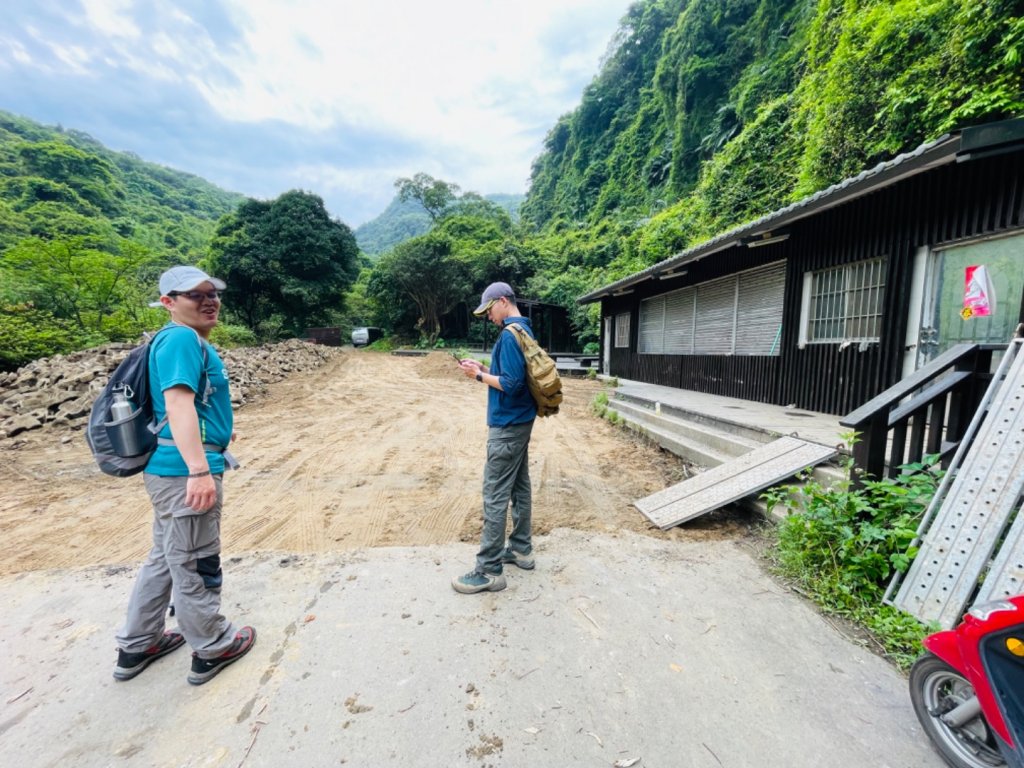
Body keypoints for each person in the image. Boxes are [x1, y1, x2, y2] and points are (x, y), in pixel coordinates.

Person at [113, 266, 256, 685]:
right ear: (168, 302)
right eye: (196, 295)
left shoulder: (180, 339)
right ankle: (213, 646)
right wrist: (198, 470)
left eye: (213, 293)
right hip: (183, 473)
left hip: (169, 470)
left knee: (164, 558)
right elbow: (178, 404)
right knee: (195, 560)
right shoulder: (180, 338)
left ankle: (138, 643)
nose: (209, 300)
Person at [453, 282, 538, 594]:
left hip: (507, 425)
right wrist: (484, 367)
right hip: (522, 421)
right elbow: (511, 375)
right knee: (519, 486)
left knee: (495, 494)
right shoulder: (524, 330)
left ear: (503, 302)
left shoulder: (508, 335)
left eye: (489, 309)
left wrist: (476, 376)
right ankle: (521, 550)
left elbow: (513, 384)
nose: (488, 316)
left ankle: (489, 570)